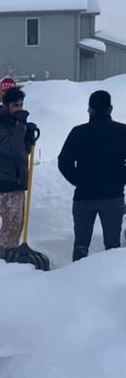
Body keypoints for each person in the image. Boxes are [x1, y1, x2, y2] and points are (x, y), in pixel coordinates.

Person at [57, 89, 126, 262]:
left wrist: (78, 180)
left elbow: (64, 161)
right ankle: (111, 283)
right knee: (112, 247)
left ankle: (78, 280)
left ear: (90, 110)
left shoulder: (78, 132)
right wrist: (121, 179)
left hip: (84, 197)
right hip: (113, 197)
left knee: (81, 245)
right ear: (110, 109)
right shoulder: (122, 131)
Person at [0, 86, 38, 257]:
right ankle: (3, 258)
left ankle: (12, 255)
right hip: (4, 182)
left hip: (16, 181)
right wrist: (22, 127)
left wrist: (28, 137)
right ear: (6, 106)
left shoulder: (12, 125)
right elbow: (10, 148)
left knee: (17, 223)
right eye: (16, 105)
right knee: (11, 225)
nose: (19, 109)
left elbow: (22, 152)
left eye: (21, 105)